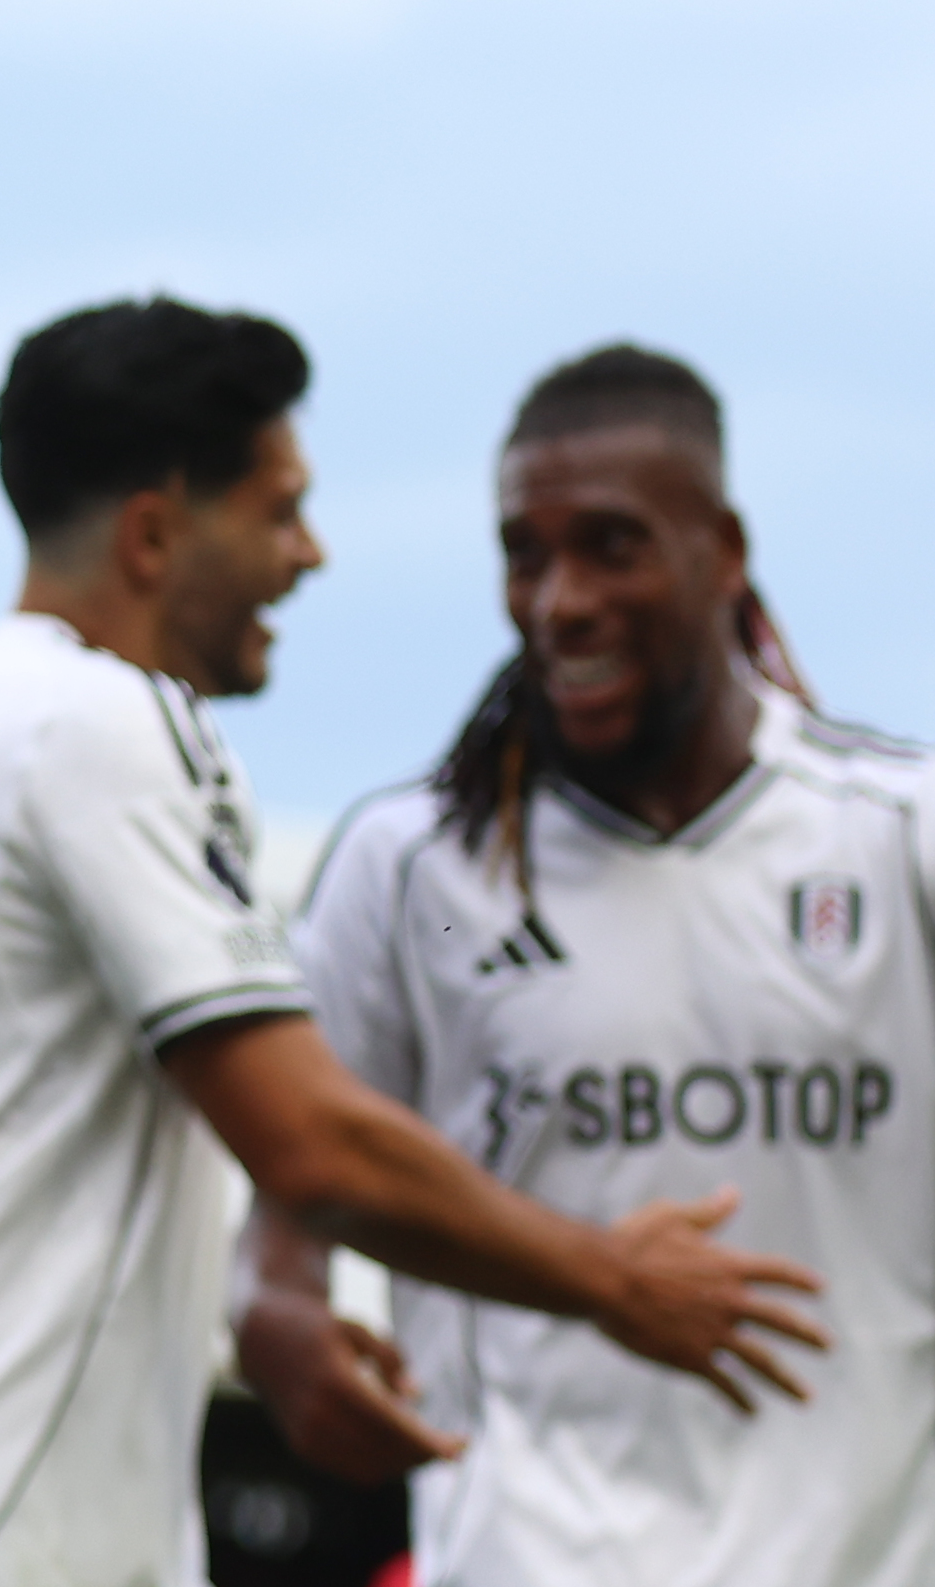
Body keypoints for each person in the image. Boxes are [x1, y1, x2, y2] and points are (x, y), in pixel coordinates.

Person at [0, 300, 825, 1587]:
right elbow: (305, 1140)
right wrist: (611, 1276)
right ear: (158, 533)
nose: (312, 554)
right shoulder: (102, 724)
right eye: (279, 510)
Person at [239, 345, 930, 1583]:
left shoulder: (893, 837)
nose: (559, 599)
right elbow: (292, 1204)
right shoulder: (421, 876)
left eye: (610, 545)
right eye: (524, 554)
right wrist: (277, 1317)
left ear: (721, 553)